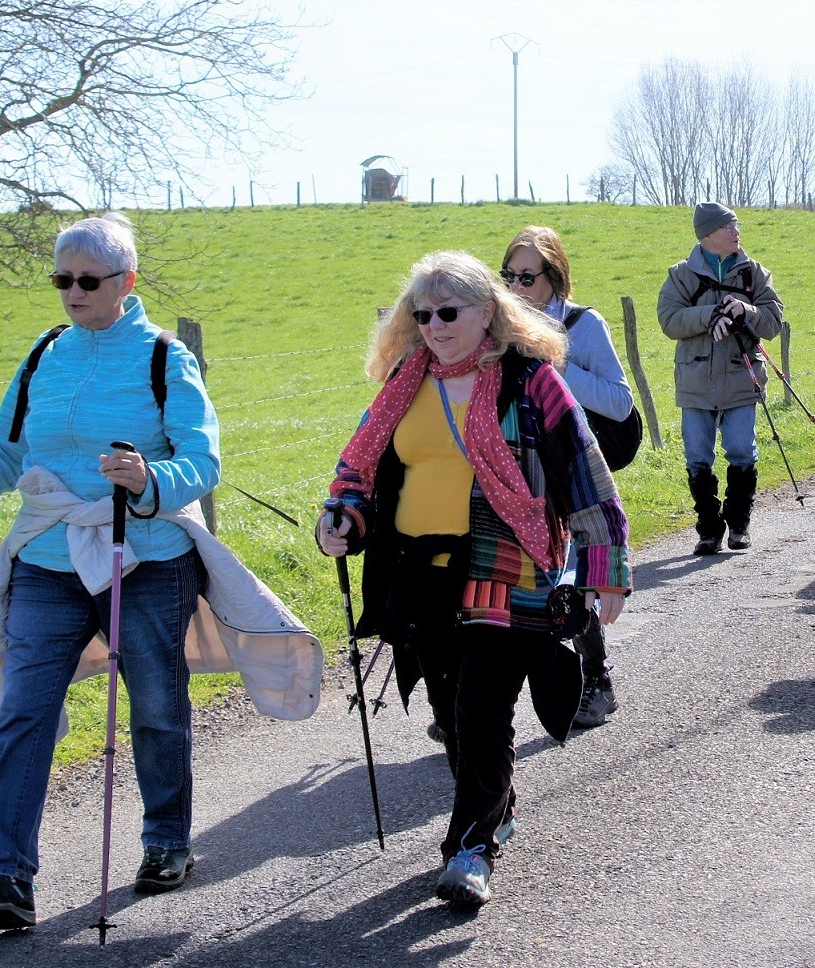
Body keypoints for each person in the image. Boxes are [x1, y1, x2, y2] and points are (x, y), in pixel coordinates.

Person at [0, 214, 322, 932]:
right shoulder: (45, 352)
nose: (72, 292)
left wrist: (145, 478)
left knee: (157, 710)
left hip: (147, 559)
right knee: (25, 712)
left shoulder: (165, 359)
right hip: (47, 559)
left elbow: (203, 462)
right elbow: (5, 456)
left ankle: (167, 841)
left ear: (125, 282)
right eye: (62, 279)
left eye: (87, 280)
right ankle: (5, 877)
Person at [318, 251, 630, 909]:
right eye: (422, 313)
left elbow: (582, 471)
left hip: (503, 566)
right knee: (449, 714)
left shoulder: (531, 382)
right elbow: (360, 466)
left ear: (487, 312)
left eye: (448, 311)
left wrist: (605, 570)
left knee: (481, 711)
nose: (433, 324)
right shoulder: (407, 380)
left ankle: (471, 848)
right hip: (420, 573)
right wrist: (343, 514)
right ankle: (497, 808)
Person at [501, 226, 633, 728]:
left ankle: (596, 680)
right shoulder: (498, 329)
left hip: (571, 472)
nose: (516, 288)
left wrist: (551, 365)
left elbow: (620, 403)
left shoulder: (584, 324)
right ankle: (484, 698)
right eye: (509, 275)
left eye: (527, 277)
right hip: (518, 474)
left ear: (554, 280)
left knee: (577, 574)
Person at [658, 202, 785, 554]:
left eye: (736, 225)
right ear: (708, 233)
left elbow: (774, 321)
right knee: (698, 456)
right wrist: (708, 315)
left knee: (742, 450)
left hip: (743, 378)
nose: (736, 231)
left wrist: (747, 310)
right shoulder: (680, 275)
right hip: (696, 381)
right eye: (729, 226)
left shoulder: (754, 273)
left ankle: (739, 525)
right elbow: (669, 320)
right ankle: (708, 529)